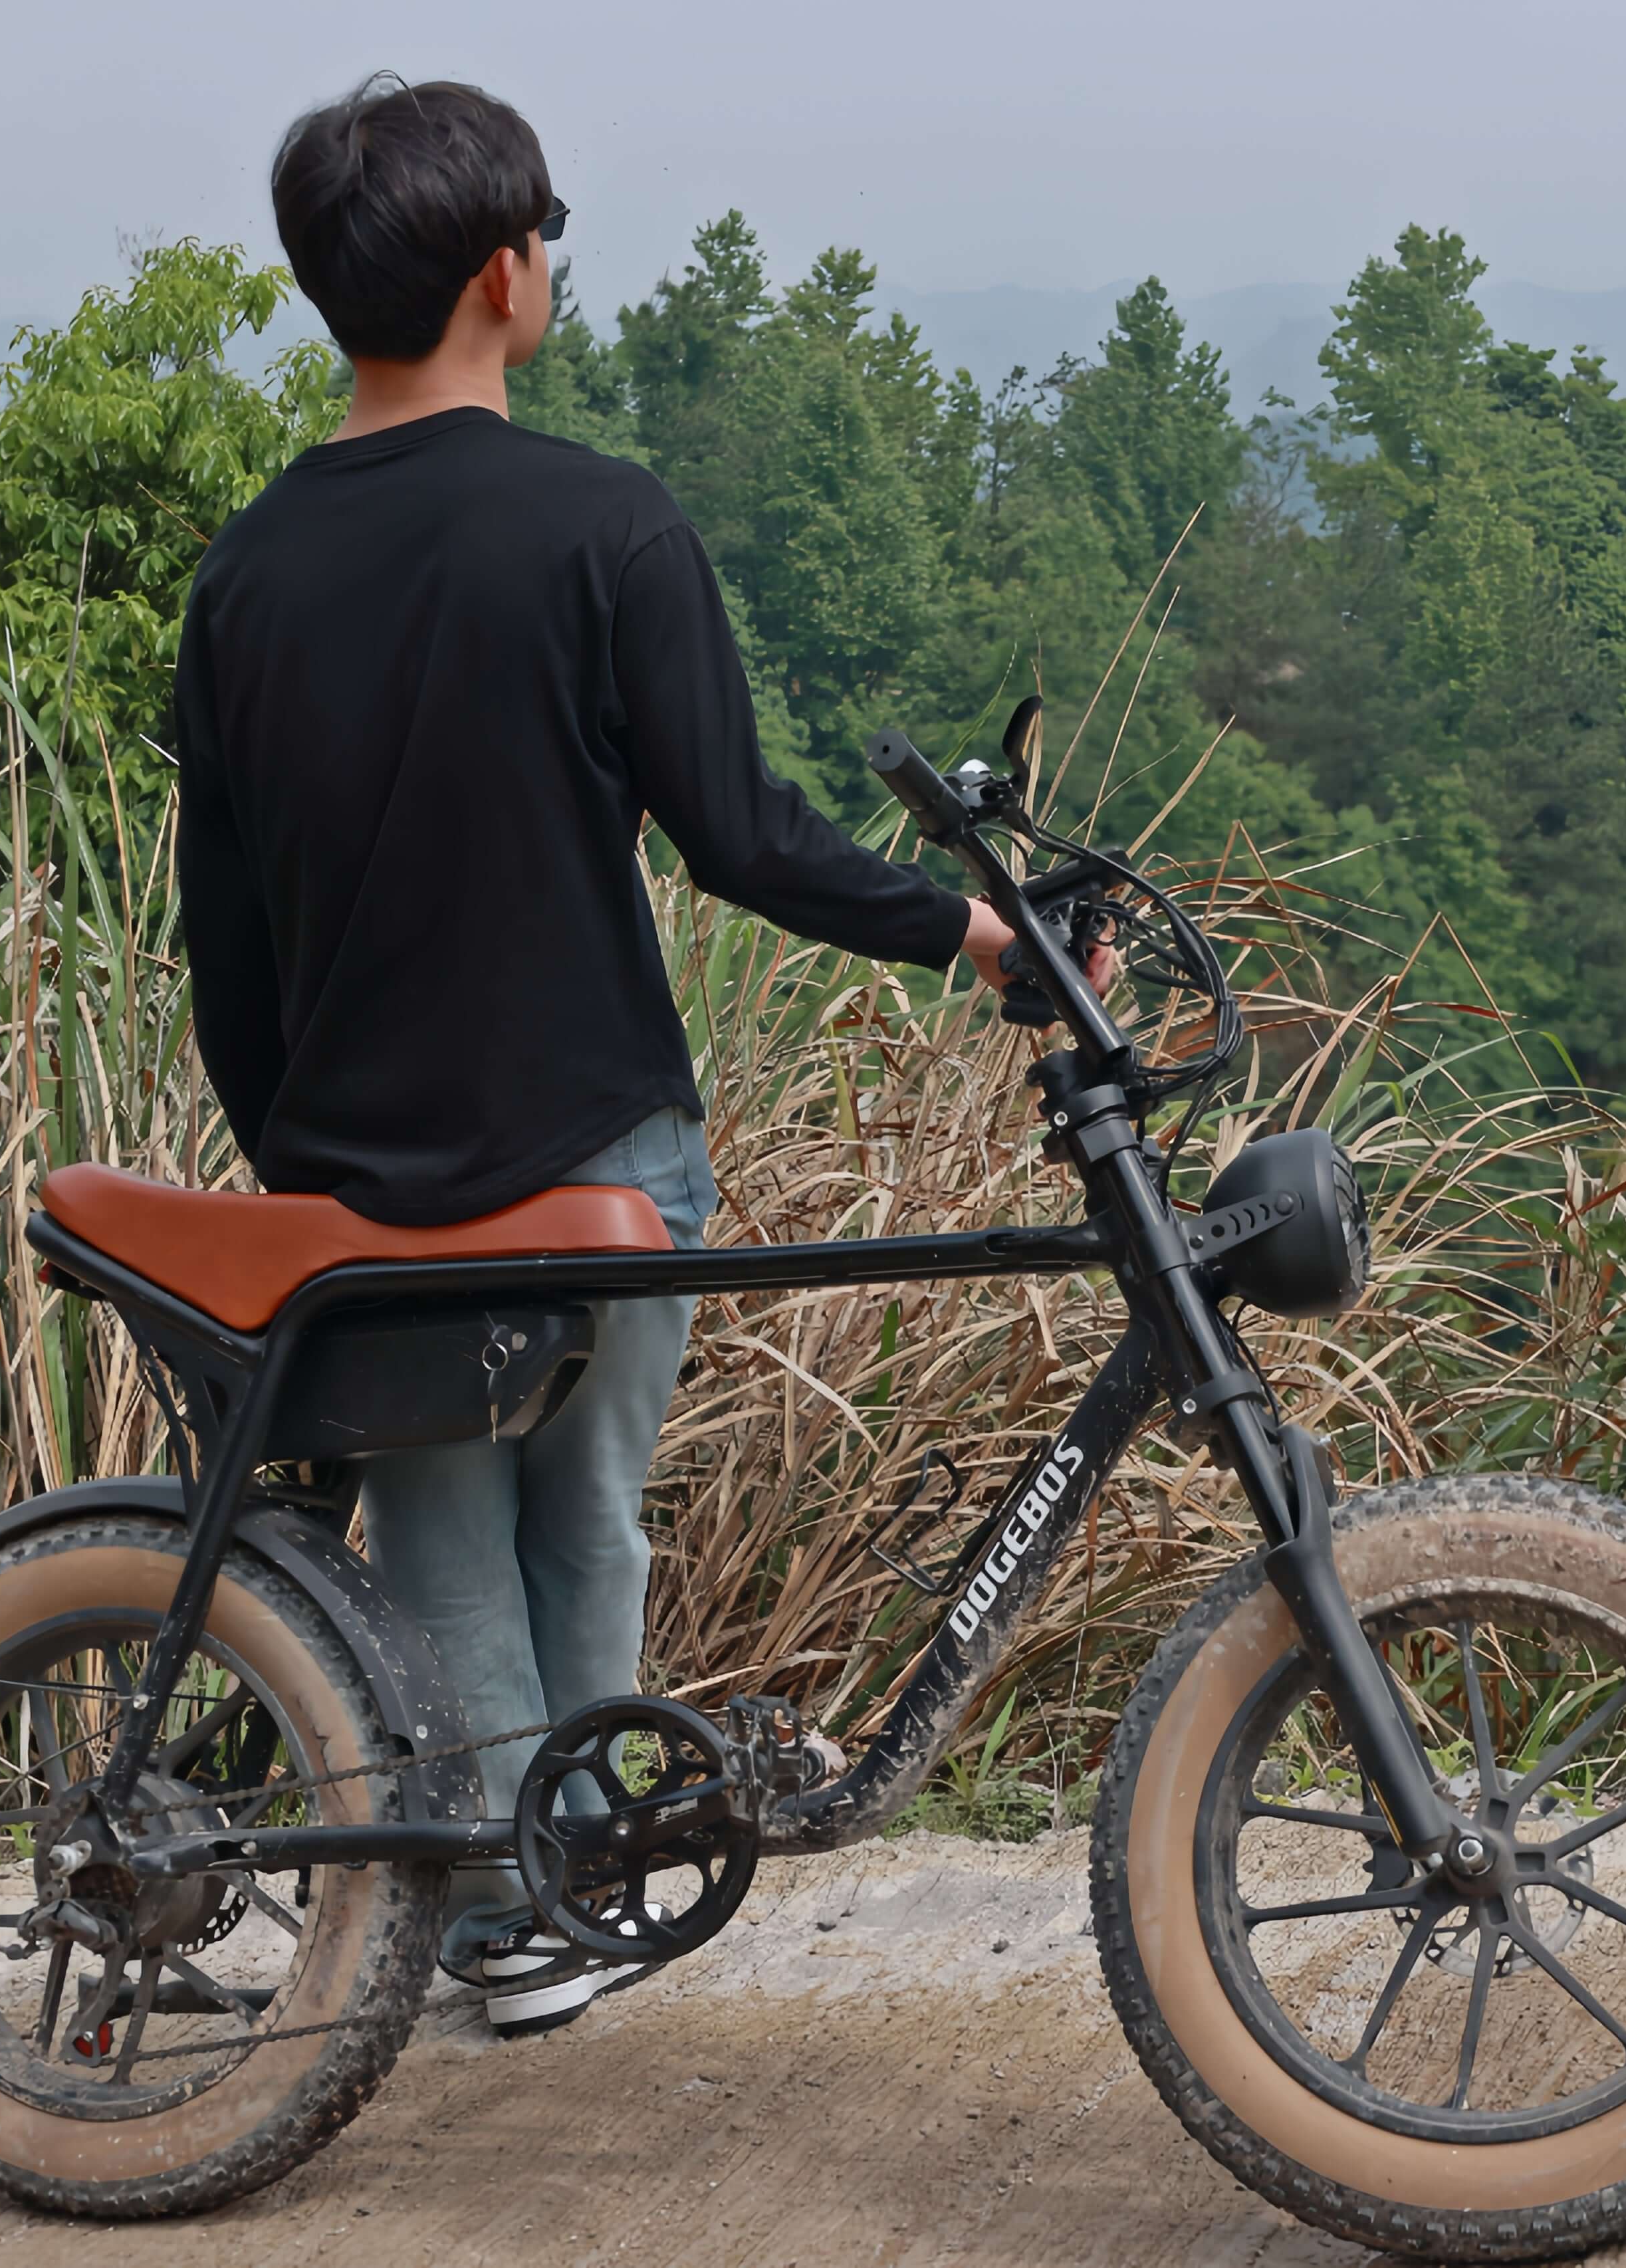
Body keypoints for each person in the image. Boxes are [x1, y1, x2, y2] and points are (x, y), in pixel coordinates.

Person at [169, 76, 1048, 2033]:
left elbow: (225, 955)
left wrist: (310, 1158)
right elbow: (742, 836)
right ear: (506, 272)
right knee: (587, 1515)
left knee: (443, 1547)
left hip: (368, 1194)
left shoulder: (241, 580)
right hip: (603, 1163)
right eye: (548, 232)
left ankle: (507, 1910)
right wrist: (969, 925)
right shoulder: (602, 525)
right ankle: (577, 1887)